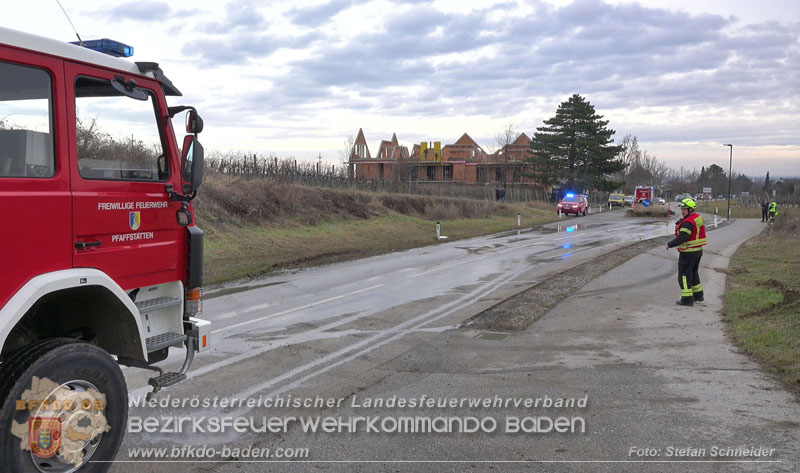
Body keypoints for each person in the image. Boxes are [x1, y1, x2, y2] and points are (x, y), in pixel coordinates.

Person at [666, 197, 707, 306]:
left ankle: (687, 299)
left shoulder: (688, 223)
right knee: (693, 273)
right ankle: (698, 295)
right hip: (697, 251)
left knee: (684, 276)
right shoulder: (697, 218)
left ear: (690, 210)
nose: (682, 211)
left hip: (688, 253)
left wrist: (669, 244)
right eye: (682, 209)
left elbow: (682, 238)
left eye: (685, 209)